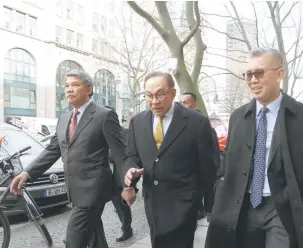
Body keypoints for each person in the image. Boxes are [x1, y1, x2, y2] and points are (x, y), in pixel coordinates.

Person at [205, 48, 303, 248]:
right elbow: (227, 161)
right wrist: (219, 192)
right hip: (242, 206)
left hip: (282, 208)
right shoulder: (238, 116)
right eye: (248, 74)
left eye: (259, 73)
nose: (253, 80)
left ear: (279, 74)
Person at [10, 70, 125, 248]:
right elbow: (52, 150)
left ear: (89, 89)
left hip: (94, 190)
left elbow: (119, 154)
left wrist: (127, 186)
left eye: (75, 85)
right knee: (95, 237)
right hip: (74, 190)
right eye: (67, 86)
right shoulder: (64, 119)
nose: (69, 89)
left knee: (74, 239)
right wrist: (27, 173)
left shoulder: (104, 115)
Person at [121, 71, 217, 248]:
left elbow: (208, 167)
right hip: (153, 201)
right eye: (149, 95)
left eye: (160, 94)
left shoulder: (197, 122)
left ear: (173, 94)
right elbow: (131, 156)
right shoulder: (138, 122)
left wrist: (211, 206)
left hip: (184, 202)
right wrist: (131, 172)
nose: (154, 101)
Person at [180, 92, 221, 220]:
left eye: (186, 102)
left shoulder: (203, 124)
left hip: (197, 177)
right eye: (181, 103)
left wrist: (210, 205)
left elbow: (212, 158)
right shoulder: (175, 125)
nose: (182, 106)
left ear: (194, 104)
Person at [104, 105, 134, 242]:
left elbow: (125, 155)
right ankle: (78, 233)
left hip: (119, 176)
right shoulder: (98, 133)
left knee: (121, 205)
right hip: (100, 177)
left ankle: (127, 229)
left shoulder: (126, 133)